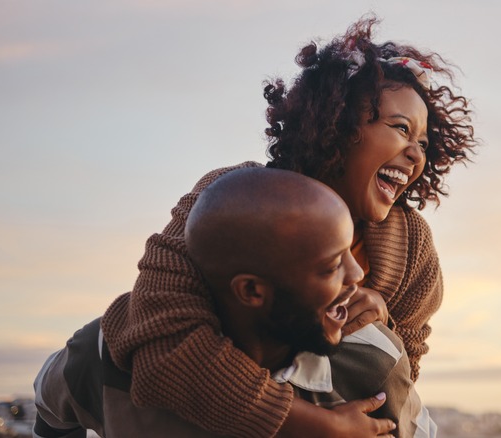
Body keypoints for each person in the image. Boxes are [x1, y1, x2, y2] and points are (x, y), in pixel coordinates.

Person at [100, 15, 475, 437]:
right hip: (203, 412)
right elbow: (162, 344)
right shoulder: (232, 198)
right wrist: (310, 424)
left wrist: (382, 325)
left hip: (322, 408)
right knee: (90, 346)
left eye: (422, 143)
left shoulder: (411, 247)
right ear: (337, 124)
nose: (416, 154)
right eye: (401, 128)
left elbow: (400, 379)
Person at [33, 168, 434, 438]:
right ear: (252, 291)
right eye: (331, 266)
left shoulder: (373, 362)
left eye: (350, 251)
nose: (358, 275)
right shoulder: (105, 353)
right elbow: (50, 408)